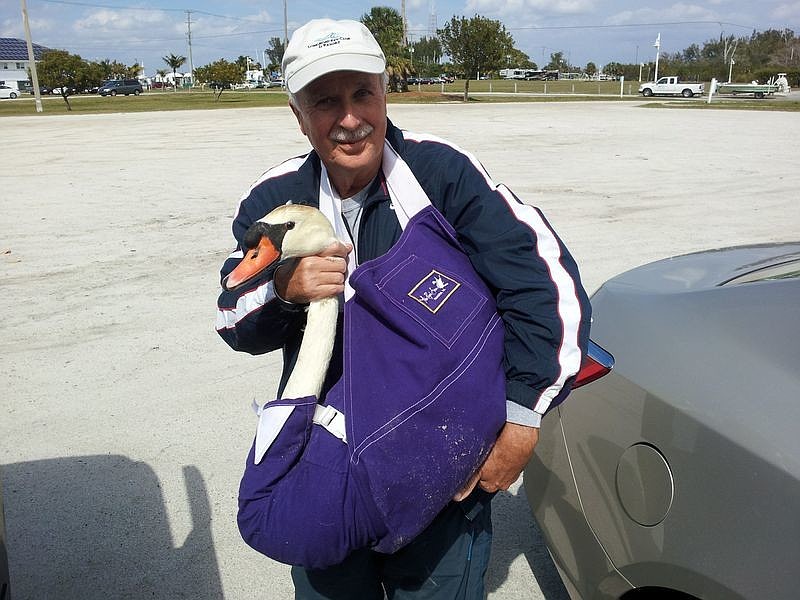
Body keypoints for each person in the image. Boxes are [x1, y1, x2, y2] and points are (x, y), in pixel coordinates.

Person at [216, 18, 591, 600]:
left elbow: (542, 286)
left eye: (362, 93)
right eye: (325, 102)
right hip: (325, 461)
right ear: (298, 115)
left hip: (443, 460)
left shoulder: (441, 172)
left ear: (385, 92)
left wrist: (522, 419)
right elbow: (232, 312)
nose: (350, 118)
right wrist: (285, 291)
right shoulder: (276, 199)